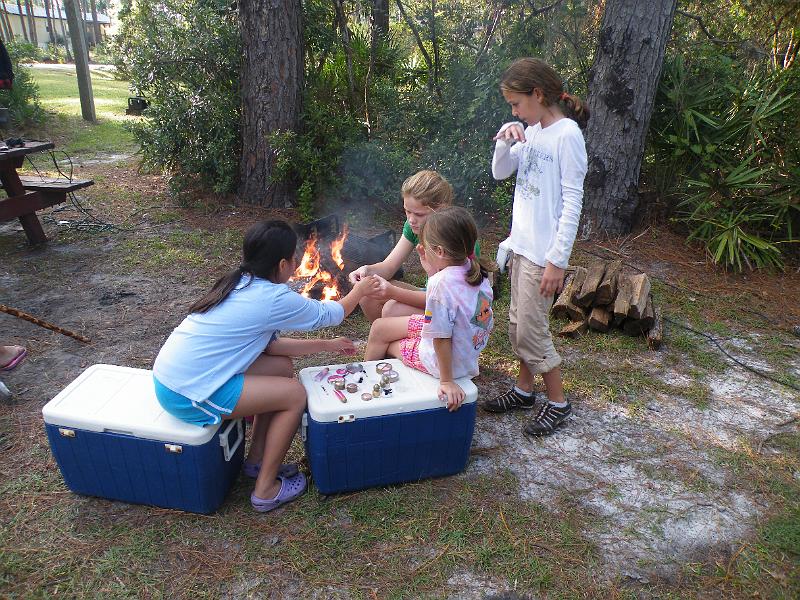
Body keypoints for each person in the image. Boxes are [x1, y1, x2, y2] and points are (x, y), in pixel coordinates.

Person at [152, 220, 380, 513]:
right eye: (295, 258)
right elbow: (331, 314)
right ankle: (265, 490)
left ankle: (257, 460)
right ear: (284, 264)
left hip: (176, 378)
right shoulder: (272, 297)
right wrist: (359, 291)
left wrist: (329, 345)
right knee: (295, 394)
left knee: (280, 367)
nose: (298, 262)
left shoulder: (240, 281)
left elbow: (271, 348)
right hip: (189, 393)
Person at [482, 57, 589, 437]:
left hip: (544, 256)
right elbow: (501, 172)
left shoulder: (567, 136)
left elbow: (573, 202)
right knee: (519, 325)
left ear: (538, 94)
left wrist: (557, 262)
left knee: (530, 331)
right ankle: (525, 391)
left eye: (516, 104)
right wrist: (503, 140)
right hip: (521, 248)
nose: (514, 111)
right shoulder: (534, 132)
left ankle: (558, 402)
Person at [364, 206, 494, 411]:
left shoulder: (440, 284)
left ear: (440, 251)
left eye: (427, 246)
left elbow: (441, 338)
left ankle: (369, 386)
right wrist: (432, 270)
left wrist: (446, 382)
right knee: (381, 327)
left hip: (443, 364)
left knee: (382, 337)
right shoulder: (478, 272)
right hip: (465, 354)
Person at [349, 170, 461, 321]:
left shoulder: (456, 237)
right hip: (431, 294)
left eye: (419, 214)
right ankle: (387, 338)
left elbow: (447, 300)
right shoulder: (413, 228)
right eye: (407, 212)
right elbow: (389, 267)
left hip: (453, 309)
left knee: (392, 309)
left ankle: (401, 341)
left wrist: (393, 292)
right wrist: (367, 271)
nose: (411, 220)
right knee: (368, 293)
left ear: (441, 209)